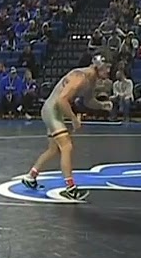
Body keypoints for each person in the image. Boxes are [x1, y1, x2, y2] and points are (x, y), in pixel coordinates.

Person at [21, 55, 113, 200]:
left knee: (54, 149)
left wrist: (102, 105)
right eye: (107, 67)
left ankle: (30, 176)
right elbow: (62, 99)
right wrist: (73, 119)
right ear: (98, 65)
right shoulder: (80, 76)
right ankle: (70, 188)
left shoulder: (91, 80)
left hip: (55, 111)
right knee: (66, 146)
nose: (108, 71)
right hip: (52, 110)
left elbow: (88, 101)